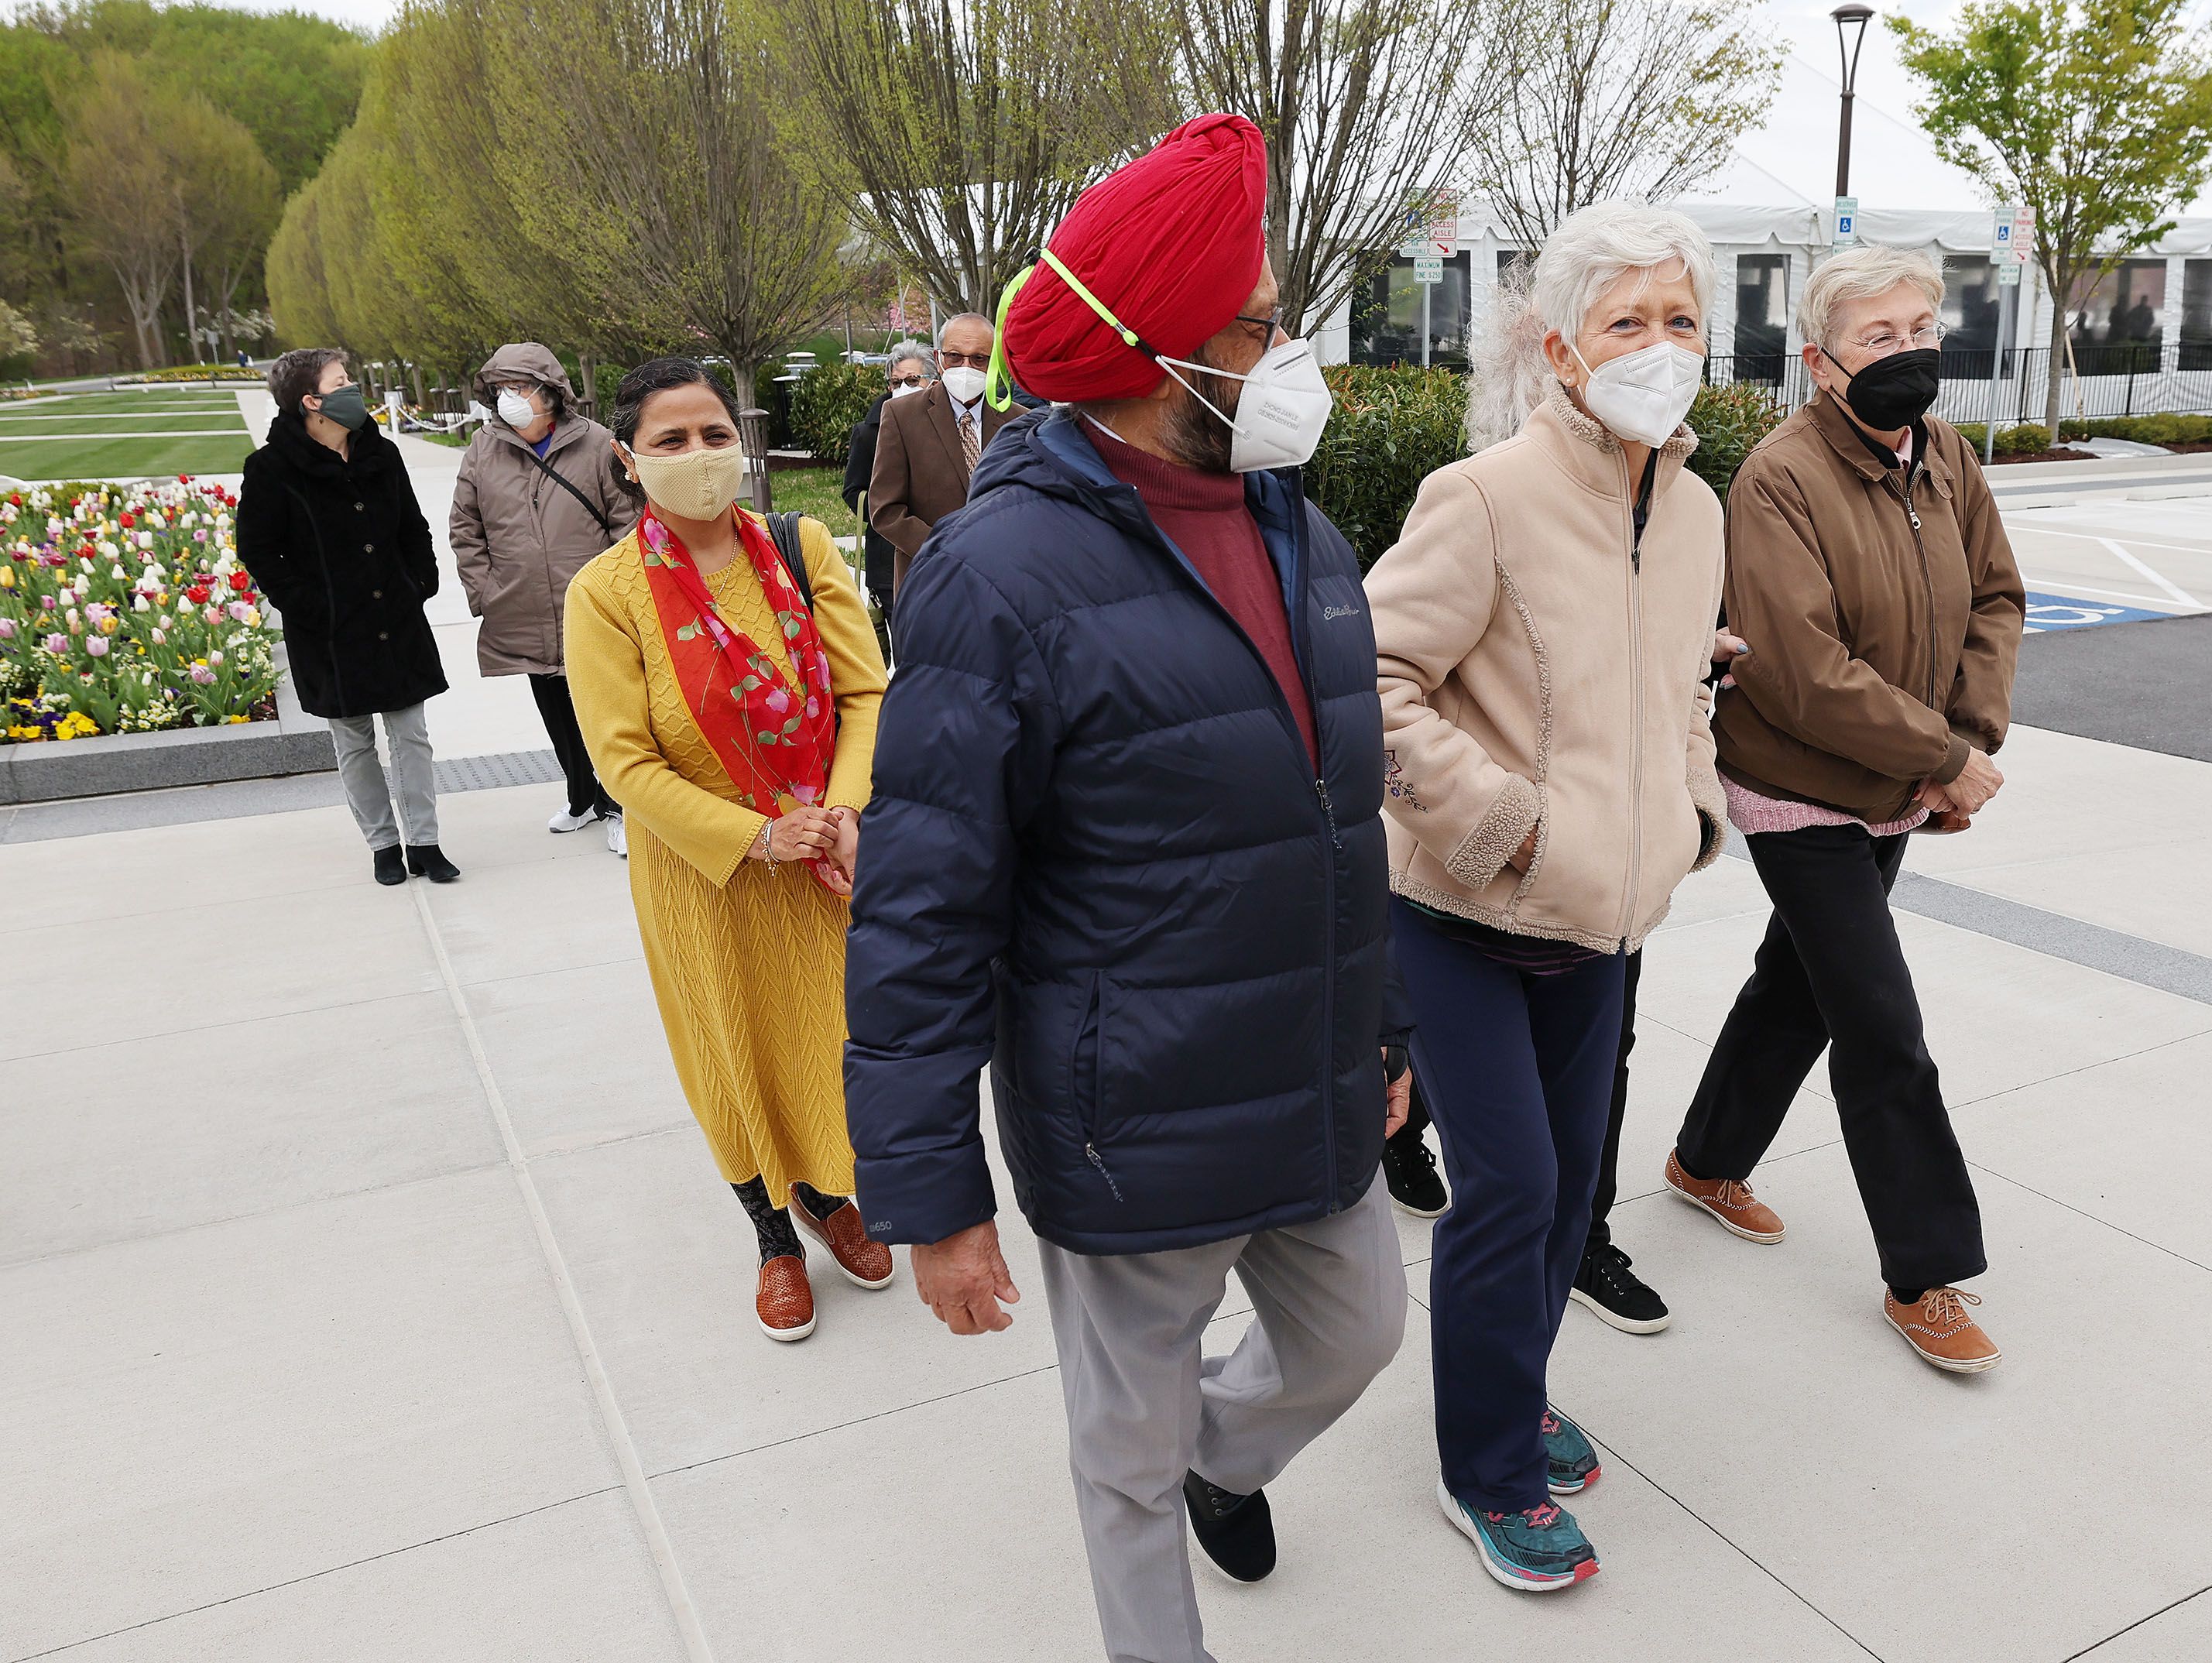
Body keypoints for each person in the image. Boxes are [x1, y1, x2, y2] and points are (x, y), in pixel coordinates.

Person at [844, 115, 1411, 1663]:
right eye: (1262, 325)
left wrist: (1387, 1035)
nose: (1293, 353)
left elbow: (1344, 825)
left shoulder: (1305, 534)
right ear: (1166, 357)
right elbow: (921, 907)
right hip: (1131, 1115)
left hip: (1304, 1078)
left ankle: (1226, 1462)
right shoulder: (999, 574)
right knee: (1121, 1465)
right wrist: (936, 1198)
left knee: (1358, 1331)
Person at [1366, 201, 1732, 1592]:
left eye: (1680, 317)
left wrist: (1687, 811)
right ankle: (1488, 1467)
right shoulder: (1486, 494)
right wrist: (1506, 824)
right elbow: (1371, 683)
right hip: (1466, 913)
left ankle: (1508, 1385)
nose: (1659, 345)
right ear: (1559, 346)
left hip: (1607, 923)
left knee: (1571, 1188)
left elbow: (1681, 684)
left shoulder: (1695, 507)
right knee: (1510, 1186)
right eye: (1627, 319)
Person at [1671, 245, 2023, 1374]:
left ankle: (1705, 1161)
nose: (1913, 349)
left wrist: (1959, 748)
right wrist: (1939, 758)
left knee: (1801, 989)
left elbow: (1997, 600)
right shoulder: (1777, 478)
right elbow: (1797, 668)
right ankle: (1925, 1271)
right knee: (1880, 1025)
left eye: (1923, 326)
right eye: (1881, 336)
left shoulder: (1948, 455)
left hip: (1897, 783)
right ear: (1821, 362)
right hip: (1801, 790)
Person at [564, 358, 893, 1342]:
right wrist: (754, 834)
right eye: (671, 441)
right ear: (629, 458)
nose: (700, 456)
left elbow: (866, 692)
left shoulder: (801, 551)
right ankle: (771, 1236)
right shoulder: (607, 594)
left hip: (821, 859)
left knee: (827, 1037)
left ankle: (829, 1195)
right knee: (730, 1046)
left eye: (713, 434)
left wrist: (839, 810)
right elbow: (623, 763)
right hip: (705, 872)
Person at [239, 347, 458, 887]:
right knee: (354, 740)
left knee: (411, 735)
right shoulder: (270, 469)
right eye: (342, 382)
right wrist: (315, 607)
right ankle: (383, 845)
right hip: (331, 633)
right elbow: (262, 552)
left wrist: (419, 583)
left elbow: (412, 526)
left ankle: (424, 842)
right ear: (311, 401)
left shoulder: (378, 452)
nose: (353, 388)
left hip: (397, 618)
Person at [451, 343, 639, 855]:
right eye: (502, 389)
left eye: (522, 387)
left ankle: (617, 805)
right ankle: (581, 797)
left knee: (601, 709)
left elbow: (627, 522)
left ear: (551, 393)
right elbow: (466, 529)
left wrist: (619, 592)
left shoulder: (597, 443)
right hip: (523, 606)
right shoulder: (482, 449)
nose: (511, 398)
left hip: (590, 607)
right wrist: (485, 591)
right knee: (554, 708)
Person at [865, 310, 1026, 605]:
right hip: (929, 585)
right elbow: (885, 510)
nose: (966, 367)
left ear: (995, 364)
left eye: (979, 359)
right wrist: (948, 551)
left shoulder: (1019, 422)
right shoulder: (901, 416)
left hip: (1004, 589)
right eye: (955, 356)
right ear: (939, 359)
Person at [842, 339, 933, 651]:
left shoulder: (946, 425)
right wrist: (889, 510)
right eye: (896, 382)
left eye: (912, 380)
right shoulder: (869, 431)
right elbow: (852, 491)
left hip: (941, 551)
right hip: (888, 559)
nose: (903, 387)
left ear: (931, 381)